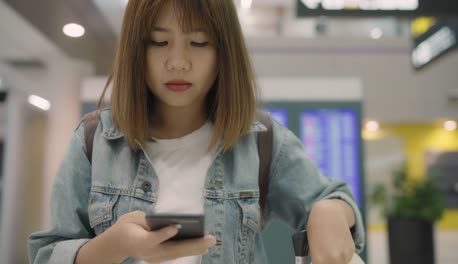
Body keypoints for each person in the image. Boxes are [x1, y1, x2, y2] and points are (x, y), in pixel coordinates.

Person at [28, 0, 365, 263]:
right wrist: (112, 246)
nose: (178, 61)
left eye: (199, 42)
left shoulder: (260, 140)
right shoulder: (94, 141)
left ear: (224, 52)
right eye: (159, 42)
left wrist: (331, 210)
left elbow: (333, 197)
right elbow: (47, 254)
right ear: (136, 49)